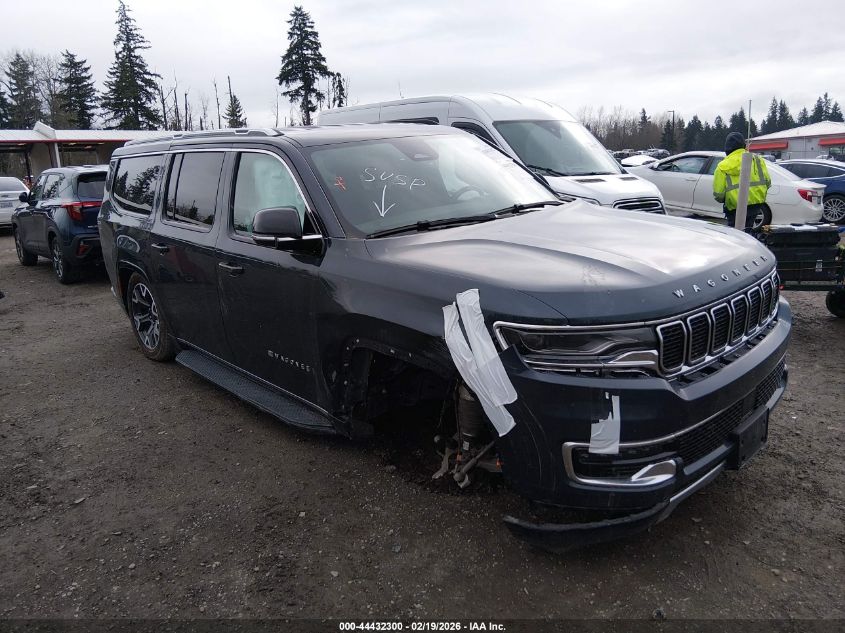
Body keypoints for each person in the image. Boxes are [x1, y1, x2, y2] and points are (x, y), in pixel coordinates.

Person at [713, 132, 771, 230]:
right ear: (744, 146)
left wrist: (726, 199)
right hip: (756, 204)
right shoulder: (757, 160)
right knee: (748, 230)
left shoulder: (722, 166)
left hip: (734, 208)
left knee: (735, 234)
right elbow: (768, 182)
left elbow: (718, 194)